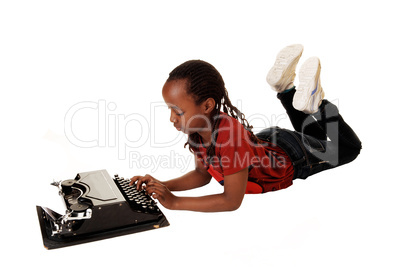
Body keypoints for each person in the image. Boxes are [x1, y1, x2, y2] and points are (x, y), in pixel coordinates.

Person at [130, 44, 362, 212]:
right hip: (268, 143)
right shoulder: (198, 130)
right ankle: (288, 92)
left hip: (292, 158)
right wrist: (162, 187)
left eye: (178, 111)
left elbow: (231, 200)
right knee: (312, 137)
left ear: (207, 105)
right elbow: (202, 175)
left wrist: (176, 202)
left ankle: (317, 105)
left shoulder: (227, 139)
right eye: (170, 110)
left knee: (349, 149)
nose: (172, 118)